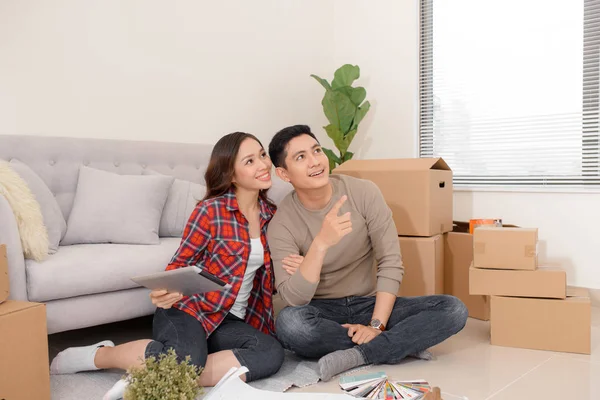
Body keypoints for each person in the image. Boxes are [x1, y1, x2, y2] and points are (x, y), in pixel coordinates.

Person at [50, 132, 300, 398]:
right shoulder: (210, 212)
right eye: (249, 161)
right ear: (232, 175)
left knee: (271, 352)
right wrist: (165, 292)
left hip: (231, 318)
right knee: (188, 358)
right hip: (189, 309)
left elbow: (274, 276)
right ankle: (103, 355)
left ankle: (160, 372)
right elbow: (179, 264)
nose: (262, 165)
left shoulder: (272, 216)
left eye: (262, 155)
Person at [267, 125, 468, 382]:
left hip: (369, 304)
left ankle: (358, 354)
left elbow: (390, 262)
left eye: (316, 150)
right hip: (321, 311)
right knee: (291, 325)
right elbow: (295, 297)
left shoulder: (363, 193)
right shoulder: (282, 222)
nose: (315, 161)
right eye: (300, 157)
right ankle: (398, 344)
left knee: (453, 309)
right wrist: (320, 244)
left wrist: (376, 325)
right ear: (283, 173)